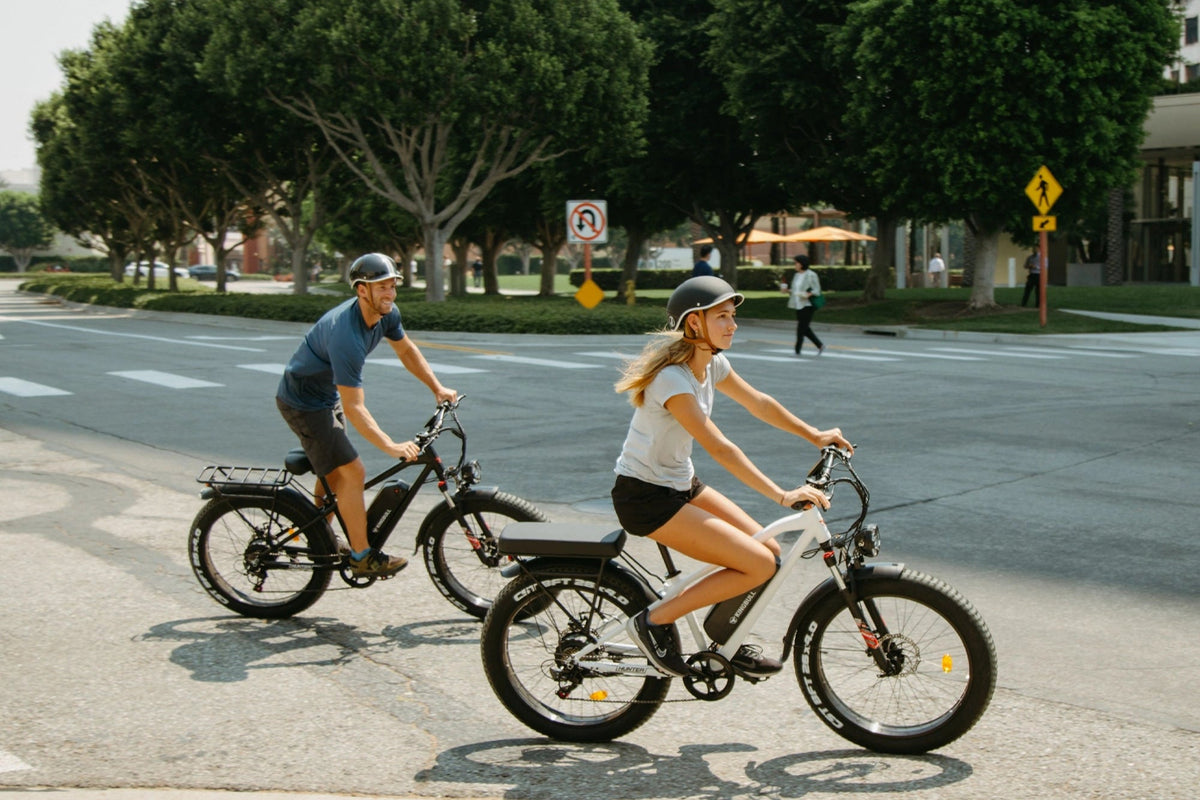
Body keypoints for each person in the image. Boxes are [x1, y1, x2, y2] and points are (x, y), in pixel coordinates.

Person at [611, 275, 853, 677]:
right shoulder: (673, 379)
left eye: (732, 316)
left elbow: (759, 403)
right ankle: (651, 623)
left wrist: (815, 435)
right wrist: (781, 495)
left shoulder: (712, 364)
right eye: (722, 316)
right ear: (694, 324)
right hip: (645, 498)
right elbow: (719, 447)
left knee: (769, 552)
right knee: (756, 564)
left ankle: (726, 642)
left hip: (679, 486)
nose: (732, 324)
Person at [275, 253, 458, 578]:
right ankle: (362, 557)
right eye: (382, 287)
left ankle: (319, 537)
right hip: (302, 402)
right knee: (352, 472)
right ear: (362, 290)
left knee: (332, 473)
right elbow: (355, 408)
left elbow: (406, 350)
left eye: (392, 286)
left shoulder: (386, 314)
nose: (390, 293)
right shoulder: (346, 335)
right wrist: (391, 446)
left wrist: (437, 387)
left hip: (324, 396)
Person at [785, 253, 824, 356]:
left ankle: (797, 350)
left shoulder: (811, 275)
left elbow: (817, 289)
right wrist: (787, 290)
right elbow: (795, 289)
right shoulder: (797, 275)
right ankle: (820, 345)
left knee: (801, 328)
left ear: (802, 264)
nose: (795, 265)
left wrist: (808, 294)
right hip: (798, 303)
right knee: (805, 328)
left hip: (807, 304)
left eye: (796, 263)